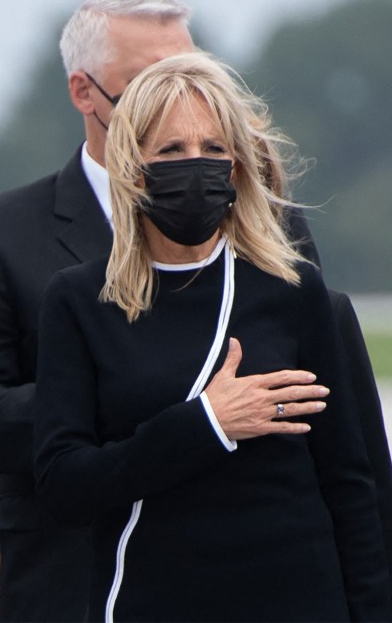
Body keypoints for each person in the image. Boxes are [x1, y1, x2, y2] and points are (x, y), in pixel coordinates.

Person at [33, 51, 391, 620]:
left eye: (214, 149)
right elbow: (63, 485)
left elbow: (358, 486)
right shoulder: (81, 300)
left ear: (238, 167)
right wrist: (206, 425)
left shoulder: (296, 293)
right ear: (132, 164)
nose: (194, 165)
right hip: (153, 601)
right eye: (172, 150)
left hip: (300, 602)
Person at [0, 0, 196, 622]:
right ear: (84, 93)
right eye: (146, 83)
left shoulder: (267, 229)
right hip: (71, 586)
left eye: (187, 78)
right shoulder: (3, 236)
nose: (172, 102)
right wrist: (114, 394)